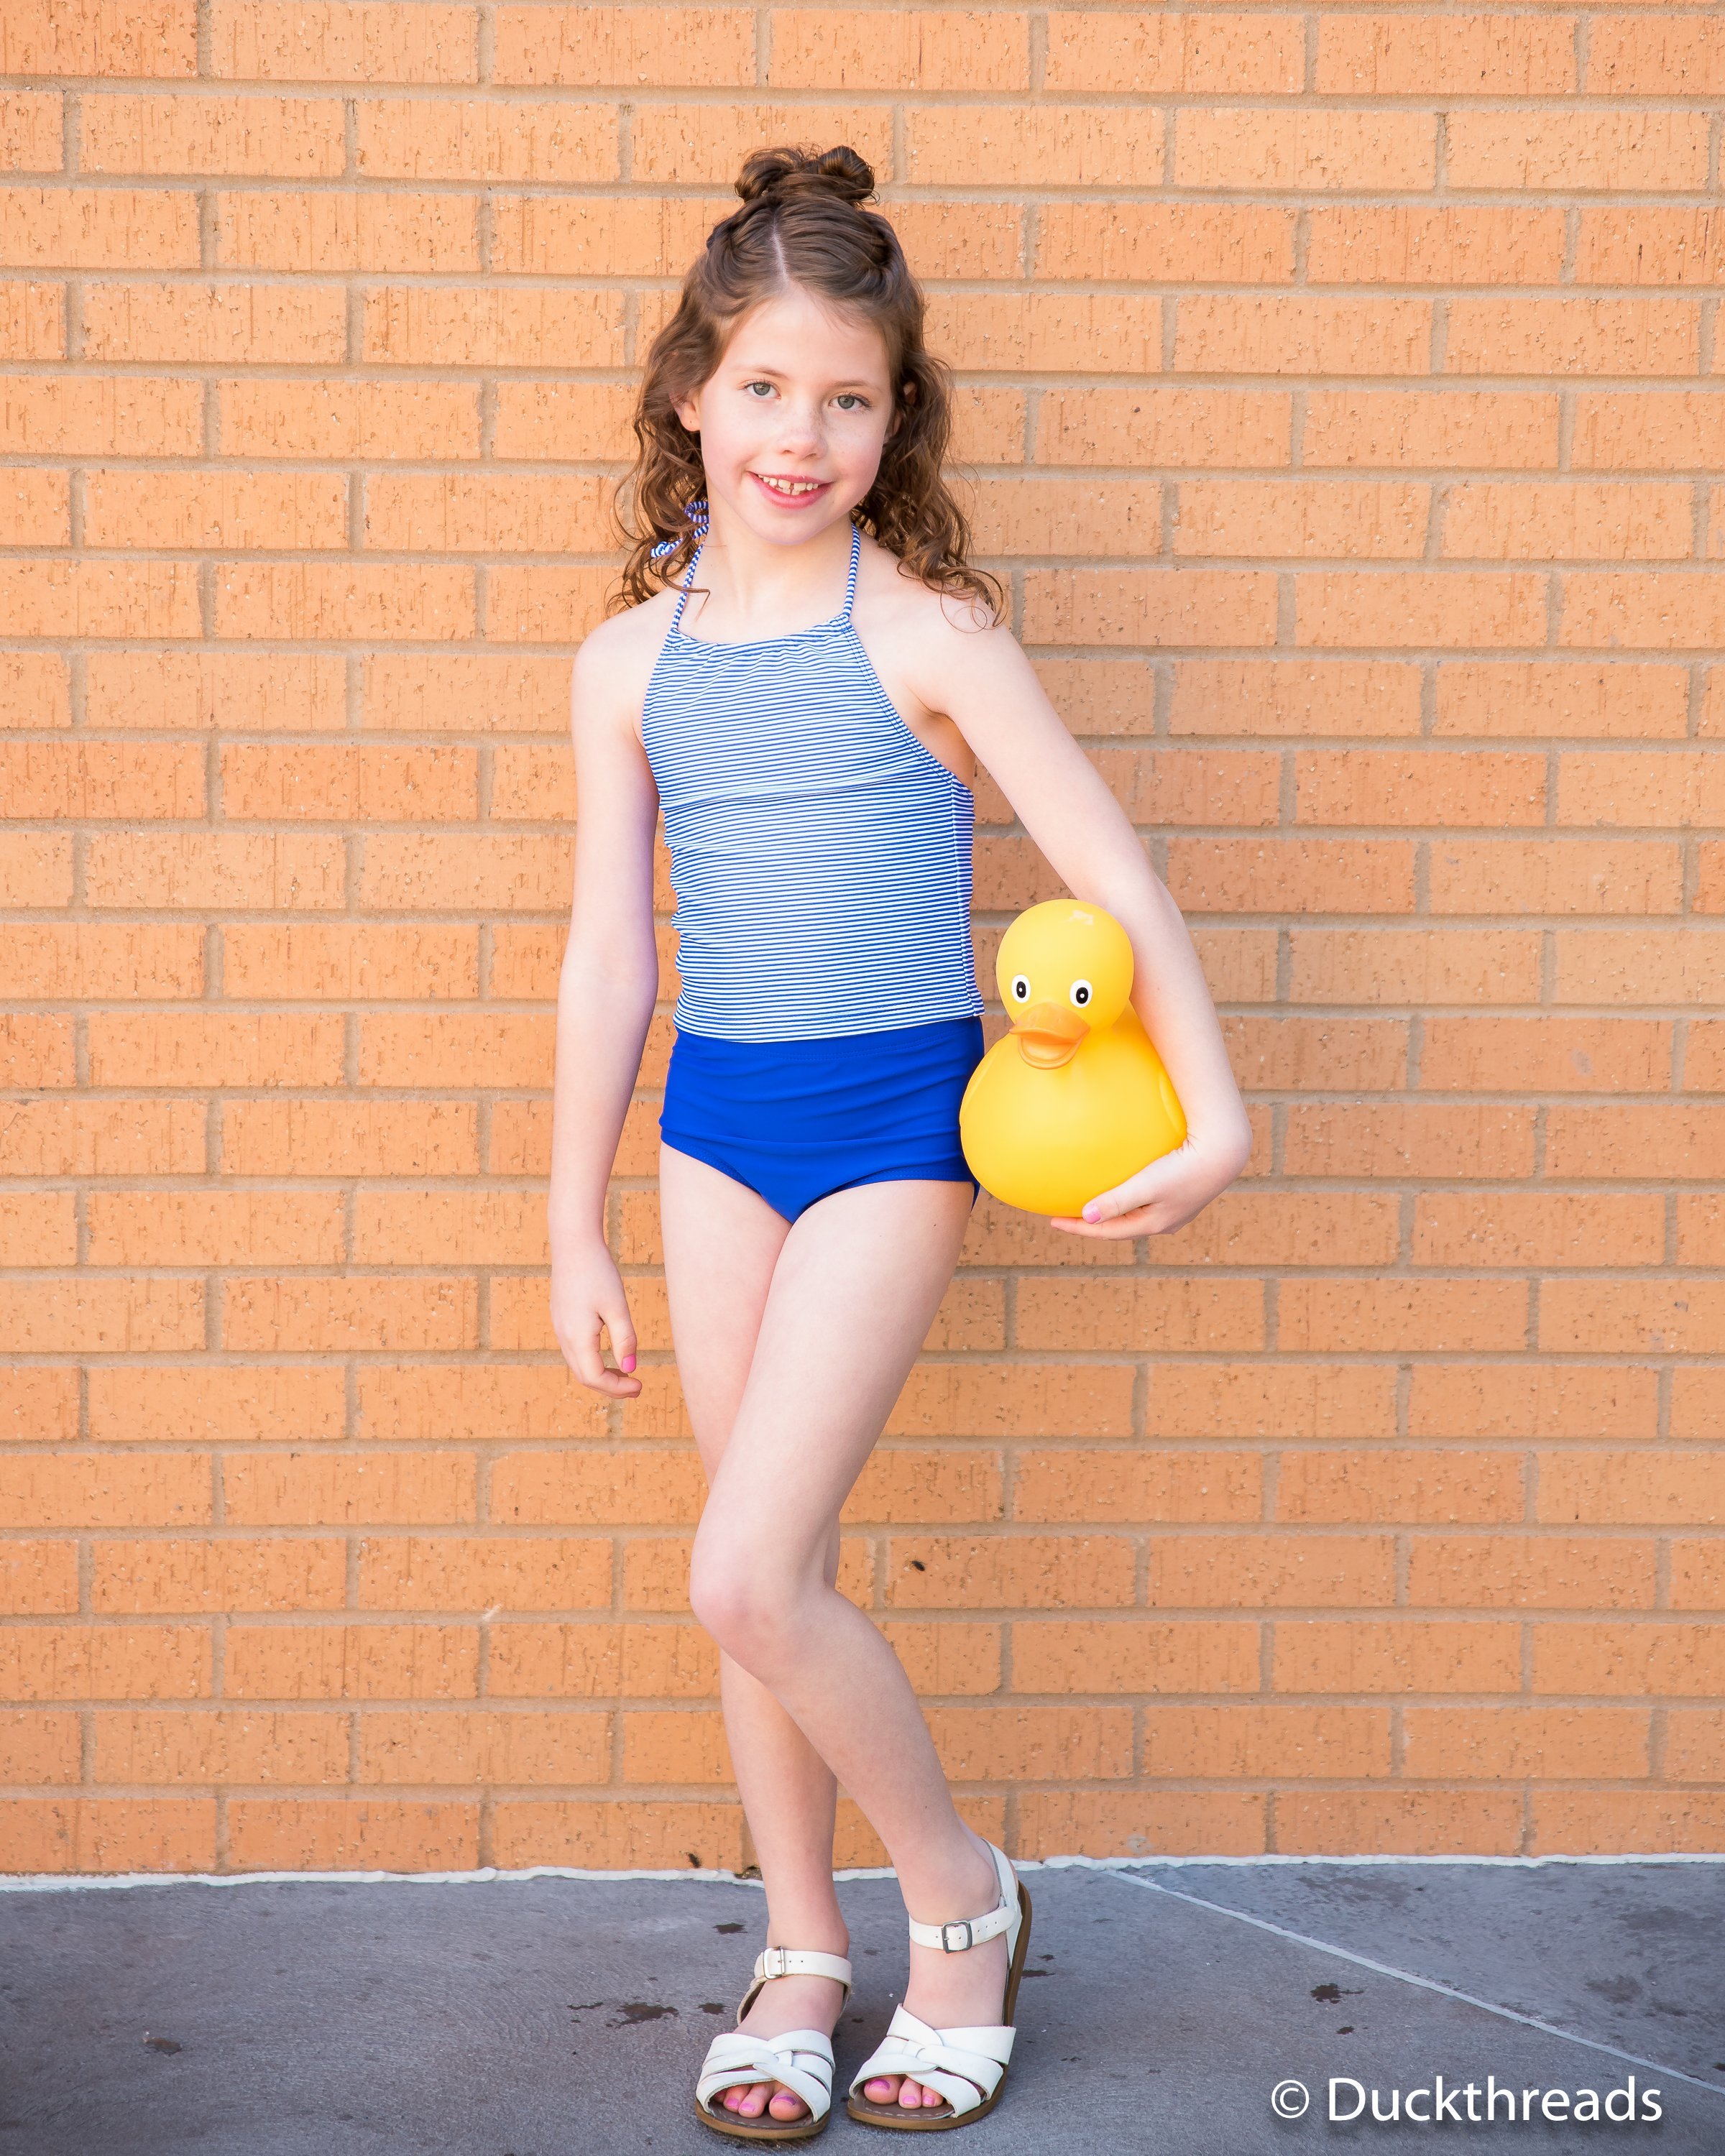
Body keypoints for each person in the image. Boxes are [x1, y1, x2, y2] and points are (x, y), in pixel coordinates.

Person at [548, 143, 1252, 2139]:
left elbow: (1113, 874)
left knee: (750, 1572)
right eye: (765, 385)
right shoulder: (629, 664)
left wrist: (1221, 1113)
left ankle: (960, 1899)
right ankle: (801, 1948)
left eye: (849, 397)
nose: (803, 430)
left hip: (887, 1129)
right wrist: (570, 1222)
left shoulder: (928, 638)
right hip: (714, 1132)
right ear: (692, 389)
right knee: (751, 1566)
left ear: (895, 420)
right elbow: (614, 957)